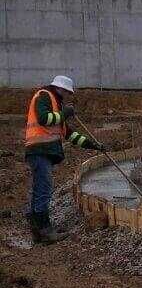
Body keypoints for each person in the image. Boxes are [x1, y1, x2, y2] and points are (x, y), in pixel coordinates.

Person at [24, 75, 103, 244]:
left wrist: (93, 145)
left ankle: (38, 230)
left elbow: (69, 134)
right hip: (39, 150)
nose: (67, 95)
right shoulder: (44, 96)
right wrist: (64, 114)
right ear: (60, 89)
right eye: (67, 92)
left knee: (40, 188)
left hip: (43, 152)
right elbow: (44, 119)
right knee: (44, 189)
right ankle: (44, 230)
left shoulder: (56, 103)